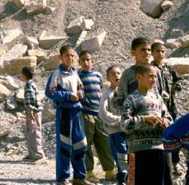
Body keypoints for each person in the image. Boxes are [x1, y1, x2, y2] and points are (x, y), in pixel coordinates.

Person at [120, 63, 172, 185]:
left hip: (158, 148)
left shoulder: (158, 98)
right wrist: (144, 119)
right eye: (150, 76)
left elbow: (169, 119)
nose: (153, 80)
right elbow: (124, 124)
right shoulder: (131, 99)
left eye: (155, 77)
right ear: (138, 77)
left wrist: (164, 122)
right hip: (138, 151)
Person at [45, 43, 88, 185]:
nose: (70, 58)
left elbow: (81, 87)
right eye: (67, 55)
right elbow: (50, 92)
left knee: (80, 144)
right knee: (64, 146)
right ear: (60, 57)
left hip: (76, 112)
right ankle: (62, 178)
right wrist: (68, 96)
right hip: (64, 113)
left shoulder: (75, 72)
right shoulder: (57, 74)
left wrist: (80, 94)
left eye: (72, 55)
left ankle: (80, 177)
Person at [78, 51, 116, 183]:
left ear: (92, 61)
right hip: (86, 113)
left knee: (104, 141)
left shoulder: (98, 75)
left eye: (88, 60)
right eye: (83, 60)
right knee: (87, 143)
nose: (86, 62)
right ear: (79, 62)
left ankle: (110, 171)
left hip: (99, 113)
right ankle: (88, 172)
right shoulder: (78, 76)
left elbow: (101, 91)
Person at [151, 41, 182, 175]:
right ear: (152, 53)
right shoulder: (150, 69)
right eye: (157, 51)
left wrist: (176, 87)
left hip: (171, 108)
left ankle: (175, 163)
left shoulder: (169, 68)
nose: (160, 54)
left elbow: (179, 80)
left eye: (162, 51)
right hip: (156, 108)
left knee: (174, 135)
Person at [99, 65, 128, 185]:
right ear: (108, 77)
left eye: (118, 73)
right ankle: (123, 176)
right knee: (119, 152)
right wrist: (119, 120)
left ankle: (125, 175)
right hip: (115, 129)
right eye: (113, 74)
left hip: (127, 128)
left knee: (128, 152)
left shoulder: (126, 92)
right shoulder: (107, 93)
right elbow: (103, 112)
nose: (117, 76)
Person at [116, 37, 153, 110]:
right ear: (133, 52)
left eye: (149, 50)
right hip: (135, 115)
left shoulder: (156, 72)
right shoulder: (128, 74)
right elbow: (121, 96)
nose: (147, 52)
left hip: (154, 113)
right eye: (143, 50)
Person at [21, 66, 45, 162]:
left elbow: (30, 98)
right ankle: (32, 153)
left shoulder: (29, 85)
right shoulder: (31, 84)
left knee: (34, 132)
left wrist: (30, 110)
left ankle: (38, 154)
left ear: (25, 75)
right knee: (30, 132)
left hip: (33, 111)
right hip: (33, 111)